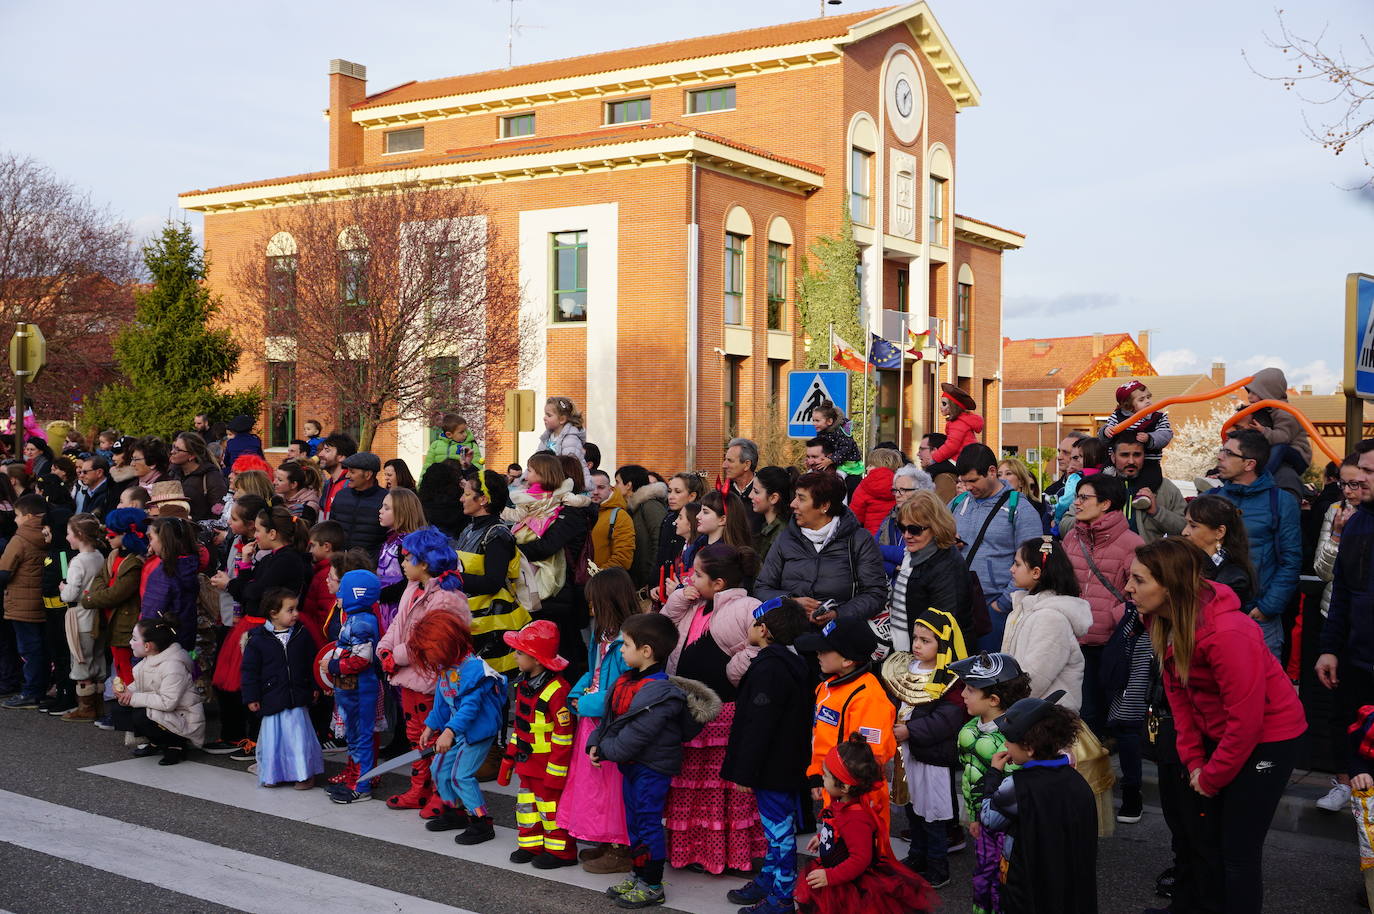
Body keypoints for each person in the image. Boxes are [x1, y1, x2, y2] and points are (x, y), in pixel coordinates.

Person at [1128, 538, 1308, 914]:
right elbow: (1180, 700)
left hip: (1268, 739)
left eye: (1139, 580)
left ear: (1170, 584)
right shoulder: (1163, 619)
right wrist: (1194, 762)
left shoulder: (1229, 633)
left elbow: (1246, 721)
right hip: (1219, 732)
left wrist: (1211, 777)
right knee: (1199, 839)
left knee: (1237, 852)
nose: (1128, 588)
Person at [587, 612, 718, 911]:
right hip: (632, 766)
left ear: (646, 651)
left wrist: (605, 750)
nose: (620, 650)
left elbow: (635, 735)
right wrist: (595, 743)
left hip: (651, 768)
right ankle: (638, 874)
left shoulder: (661, 693)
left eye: (626, 645)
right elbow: (610, 721)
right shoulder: (626, 681)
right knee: (634, 822)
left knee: (647, 823)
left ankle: (653, 884)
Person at [658, 543, 766, 874]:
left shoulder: (748, 606)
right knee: (691, 788)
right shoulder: (695, 604)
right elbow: (663, 626)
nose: (690, 578)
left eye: (698, 574)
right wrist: (679, 598)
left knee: (722, 792)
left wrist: (742, 661)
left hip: (724, 716)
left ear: (718, 583)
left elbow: (766, 645)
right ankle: (694, 852)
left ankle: (729, 856)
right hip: (691, 714)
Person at [720, 597, 812, 914]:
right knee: (775, 830)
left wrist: (745, 773)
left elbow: (758, 725)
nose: (749, 627)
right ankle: (769, 880)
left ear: (764, 628)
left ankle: (782, 897)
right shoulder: (789, 661)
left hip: (772, 767)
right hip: (783, 763)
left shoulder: (769, 669)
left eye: (753, 622)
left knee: (780, 833)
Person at [376, 527, 472, 817]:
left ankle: (443, 794)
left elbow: (432, 642)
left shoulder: (446, 597)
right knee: (414, 734)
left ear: (425, 563)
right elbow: (399, 624)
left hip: (433, 681)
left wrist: (398, 655)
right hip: (411, 677)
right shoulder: (412, 588)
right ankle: (420, 788)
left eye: (407, 558)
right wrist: (385, 649)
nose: (403, 563)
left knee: (434, 738)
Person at [980, 692, 1098, 914]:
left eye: (1010, 740)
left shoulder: (1017, 785)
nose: (1005, 743)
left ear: (1030, 747)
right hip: (1069, 877)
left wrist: (994, 774)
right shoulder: (1077, 780)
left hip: (1027, 882)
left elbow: (989, 818)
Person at [794, 732, 935, 914]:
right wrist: (824, 836)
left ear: (844, 787)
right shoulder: (843, 803)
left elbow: (860, 858)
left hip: (847, 885)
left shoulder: (856, 818)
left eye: (827, 775)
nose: (822, 777)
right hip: (837, 875)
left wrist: (830, 876)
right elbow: (840, 830)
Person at [882, 608, 969, 888]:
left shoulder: (951, 680)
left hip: (932, 757)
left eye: (926, 640)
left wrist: (911, 730)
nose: (917, 645)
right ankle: (917, 856)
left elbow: (948, 718)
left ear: (942, 644)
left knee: (932, 813)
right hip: (906, 755)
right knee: (912, 807)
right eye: (915, 638)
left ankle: (937, 866)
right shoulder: (906, 668)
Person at [561, 568, 636, 875]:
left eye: (594, 601)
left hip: (612, 723)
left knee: (612, 787)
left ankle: (621, 847)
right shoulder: (602, 633)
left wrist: (587, 702)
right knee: (595, 786)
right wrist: (576, 694)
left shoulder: (627, 640)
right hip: (593, 718)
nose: (590, 607)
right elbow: (591, 671)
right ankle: (606, 840)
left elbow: (624, 689)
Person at [948, 652, 1034, 914]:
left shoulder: (1017, 740)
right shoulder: (968, 730)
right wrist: (973, 815)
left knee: (1006, 881)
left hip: (1011, 828)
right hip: (983, 823)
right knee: (984, 877)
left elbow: (1023, 789)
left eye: (970, 689)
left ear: (994, 700)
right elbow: (968, 777)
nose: (962, 694)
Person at [412, 609, 507, 843]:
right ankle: (456, 812)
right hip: (457, 731)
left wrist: (449, 731)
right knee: (440, 770)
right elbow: (441, 703)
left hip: (476, 733)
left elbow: (470, 708)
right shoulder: (446, 668)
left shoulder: (473, 670)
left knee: (460, 776)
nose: (428, 659)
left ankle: (481, 822)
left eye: (429, 652)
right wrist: (430, 727)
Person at [798, 617, 897, 834]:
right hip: (834, 790)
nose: (818, 653)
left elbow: (870, 757)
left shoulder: (869, 698)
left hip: (858, 801)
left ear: (847, 661)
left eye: (824, 650)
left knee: (858, 859)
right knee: (833, 854)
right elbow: (821, 738)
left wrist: (846, 795)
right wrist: (816, 774)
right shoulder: (827, 686)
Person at [1317, 440, 1374, 815]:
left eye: (1369, 473)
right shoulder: (1357, 525)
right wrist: (1330, 647)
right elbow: (1342, 594)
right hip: (1359, 665)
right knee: (1362, 770)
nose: (1360, 479)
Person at [1063, 474, 1142, 737]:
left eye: (1084, 498)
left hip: (1111, 642)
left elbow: (1141, 593)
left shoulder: (1132, 543)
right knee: (1081, 709)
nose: (1077, 503)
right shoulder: (1072, 537)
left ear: (1106, 504)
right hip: (1074, 639)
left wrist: (1112, 617)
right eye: (1077, 497)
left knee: (1108, 709)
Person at [1211, 429, 1302, 658]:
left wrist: (1268, 607)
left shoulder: (1281, 502)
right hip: (1212, 612)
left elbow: (1291, 560)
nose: (1220, 457)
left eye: (1228, 453)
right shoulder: (1211, 499)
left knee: (1263, 688)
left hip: (1258, 615)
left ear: (1249, 464)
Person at [754, 472, 887, 627]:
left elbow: (875, 593)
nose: (792, 504)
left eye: (801, 498)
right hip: (789, 635)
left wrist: (838, 614)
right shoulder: (785, 538)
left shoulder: (859, 540)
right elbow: (761, 588)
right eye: (795, 496)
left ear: (824, 506)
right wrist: (791, 602)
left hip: (838, 637)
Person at [496, 619, 577, 868]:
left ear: (537, 659)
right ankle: (531, 845)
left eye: (520, 653)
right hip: (527, 765)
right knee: (527, 806)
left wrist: (556, 774)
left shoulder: (558, 691)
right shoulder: (522, 684)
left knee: (550, 810)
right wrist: (508, 759)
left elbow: (564, 737)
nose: (515, 657)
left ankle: (561, 853)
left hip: (548, 768)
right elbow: (519, 728)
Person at [950, 444, 1045, 650]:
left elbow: (1036, 561)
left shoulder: (1020, 509)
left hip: (995, 606)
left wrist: (1002, 604)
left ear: (992, 472)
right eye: (963, 482)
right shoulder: (958, 503)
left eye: (973, 481)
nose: (967, 487)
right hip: (959, 602)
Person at [505, 453, 591, 676]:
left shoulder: (569, 512)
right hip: (543, 587)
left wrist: (512, 551)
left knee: (561, 649)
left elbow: (547, 546)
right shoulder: (538, 505)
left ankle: (563, 697)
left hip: (559, 588)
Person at [240, 587, 323, 789]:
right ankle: (274, 773)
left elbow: (312, 662)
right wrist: (251, 696)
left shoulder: (302, 634)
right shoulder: (257, 639)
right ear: (273, 613)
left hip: (297, 697)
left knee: (298, 739)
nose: (296, 614)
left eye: (296, 609)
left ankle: (303, 774)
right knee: (274, 741)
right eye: (290, 610)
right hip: (272, 697)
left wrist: (315, 685)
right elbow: (249, 670)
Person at [455, 469, 530, 677]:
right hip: (470, 621)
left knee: (491, 690)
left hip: (493, 626)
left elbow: (492, 582)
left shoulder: (497, 534)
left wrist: (452, 578)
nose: (461, 499)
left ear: (483, 499)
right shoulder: (468, 529)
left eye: (467, 494)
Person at [1001, 537, 1091, 709]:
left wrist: (1004, 704)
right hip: (1026, 712)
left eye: (1017, 564)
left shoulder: (1051, 619)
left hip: (1047, 722)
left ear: (1036, 572)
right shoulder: (1025, 608)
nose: (1011, 569)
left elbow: (1034, 679)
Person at [82, 507, 147, 728]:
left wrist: (90, 599)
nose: (107, 539)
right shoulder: (111, 556)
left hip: (126, 625)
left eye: (111, 535)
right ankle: (122, 714)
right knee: (120, 670)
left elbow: (117, 593)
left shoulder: (135, 562)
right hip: (111, 622)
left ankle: (129, 716)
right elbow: (100, 581)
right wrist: (96, 594)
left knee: (128, 673)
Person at [324, 569, 384, 804]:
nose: (337, 595)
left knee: (362, 737)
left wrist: (334, 666)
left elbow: (362, 659)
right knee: (354, 736)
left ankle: (362, 785)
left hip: (361, 689)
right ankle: (353, 777)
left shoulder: (362, 622)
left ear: (355, 594)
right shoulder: (355, 618)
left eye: (342, 591)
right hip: (350, 690)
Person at [888, 490, 974, 652]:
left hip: (936, 658)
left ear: (936, 527)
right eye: (902, 527)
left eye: (915, 529)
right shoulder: (913, 555)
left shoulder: (946, 564)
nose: (907, 535)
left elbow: (944, 623)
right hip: (913, 651)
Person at [114, 616, 206, 765]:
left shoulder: (173, 666)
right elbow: (141, 686)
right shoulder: (150, 659)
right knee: (120, 709)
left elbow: (167, 703)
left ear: (147, 646)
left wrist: (133, 698)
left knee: (140, 715)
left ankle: (176, 744)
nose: (130, 643)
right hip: (167, 713)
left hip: (184, 718)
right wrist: (125, 692)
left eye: (134, 638)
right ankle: (156, 741)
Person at [0, 494, 51, 709]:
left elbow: (4, 571)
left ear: (28, 516)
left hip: (21, 603)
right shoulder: (50, 534)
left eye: (18, 515)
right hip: (43, 600)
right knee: (40, 647)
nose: (15, 520)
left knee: (28, 649)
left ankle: (30, 691)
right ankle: (40, 687)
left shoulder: (19, 539)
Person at [59, 513, 109, 722]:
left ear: (79, 534)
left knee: (80, 658)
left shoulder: (78, 562)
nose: (67, 537)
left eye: (69, 534)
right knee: (97, 656)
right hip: (98, 614)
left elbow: (71, 594)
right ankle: (98, 704)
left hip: (80, 615)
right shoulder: (99, 556)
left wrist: (63, 589)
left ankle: (86, 707)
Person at [1235, 367, 1311, 492]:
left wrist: (1264, 431)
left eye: (1254, 393)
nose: (1249, 397)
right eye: (1249, 392)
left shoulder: (1285, 412)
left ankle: (1260, 479)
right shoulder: (1267, 410)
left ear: (1268, 392)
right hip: (1279, 451)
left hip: (1297, 455)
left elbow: (1283, 437)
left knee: (1280, 448)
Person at [1102, 437, 1186, 543]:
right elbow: (1074, 520)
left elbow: (1185, 528)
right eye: (1124, 455)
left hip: (1148, 557)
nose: (1131, 461)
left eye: (1137, 455)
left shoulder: (1164, 487)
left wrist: (1157, 512)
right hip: (1106, 558)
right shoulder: (1095, 487)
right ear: (1113, 457)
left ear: (1144, 456)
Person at [1098, 379, 1172, 491]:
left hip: (1148, 461)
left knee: (1151, 479)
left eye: (1148, 397)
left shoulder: (1158, 417)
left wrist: (1150, 438)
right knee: (1105, 476)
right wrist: (1105, 431)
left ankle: (1142, 496)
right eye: (1141, 399)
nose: (1147, 401)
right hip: (1116, 462)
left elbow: (1165, 434)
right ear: (1128, 405)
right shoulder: (1117, 416)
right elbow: (1106, 431)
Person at [141, 517, 202, 651]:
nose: (149, 545)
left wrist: (140, 649)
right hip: (184, 641)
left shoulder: (164, 573)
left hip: (160, 646)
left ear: (163, 538)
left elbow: (152, 614)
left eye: (151, 538)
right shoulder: (188, 567)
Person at [375, 487, 427, 630]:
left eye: (387, 508)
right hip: (386, 605)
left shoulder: (405, 544)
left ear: (402, 514)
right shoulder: (391, 540)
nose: (380, 511)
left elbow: (410, 581)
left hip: (399, 607)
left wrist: (379, 594)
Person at [615, 465, 668, 590]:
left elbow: (660, 540)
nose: (615, 486)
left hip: (650, 583)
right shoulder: (633, 508)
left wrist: (652, 578)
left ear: (628, 485)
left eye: (617, 482)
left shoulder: (650, 505)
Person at [875, 465, 934, 576]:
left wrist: (880, 550)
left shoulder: (930, 519)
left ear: (921, 491)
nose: (897, 495)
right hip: (892, 586)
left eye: (903, 490)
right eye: (895, 490)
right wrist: (893, 568)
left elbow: (913, 553)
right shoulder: (890, 518)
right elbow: (869, 552)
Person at [328, 451, 387, 555]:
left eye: (352, 472)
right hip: (340, 562)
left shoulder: (386, 500)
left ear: (368, 474)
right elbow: (332, 529)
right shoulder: (341, 496)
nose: (347, 475)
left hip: (369, 567)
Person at [1052, 436, 1107, 534]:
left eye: (1079, 457)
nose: (1076, 461)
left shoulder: (1076, 477)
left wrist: (1056, 517)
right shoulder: (1107, 475)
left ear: (1091, 456)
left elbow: (1066, 501)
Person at [169, 432, 227, 522]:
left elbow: (220, 513)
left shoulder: (211, 476)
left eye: (178, 449)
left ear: (191, 456)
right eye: (173, 447)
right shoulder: (173, 473)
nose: (172, 452)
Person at [587, 470, 635, 573]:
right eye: (591, 487)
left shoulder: (620, 516)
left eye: (601, 487)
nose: (595, 492)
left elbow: (623, 558)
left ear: (610, 488)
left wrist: (596, 575)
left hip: (603, 582)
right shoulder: (579, 510)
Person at [849, 448, 902, 536]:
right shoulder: (902, 484)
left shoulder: (864, 486)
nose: (867, 468)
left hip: (872, 538)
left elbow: (855, 517)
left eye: (870, 465)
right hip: (897, 536)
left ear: (879, 465)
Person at [929, 383, 984, 465]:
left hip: (962, 460)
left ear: (953, 406)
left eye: (944, 404)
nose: (941, 407)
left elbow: (951, 446)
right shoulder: (960, 421)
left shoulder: (958, 423)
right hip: (965, 458)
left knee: (933, 469)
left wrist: (934, 458)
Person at [748, 466, 793, 564]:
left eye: (756, 491)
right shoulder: (767, 526)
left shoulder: (781, 535)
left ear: (773, 498)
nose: (750, 495)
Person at [722, 438, 762, 529]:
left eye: (730, 461)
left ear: (747, 465)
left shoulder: (765, 494)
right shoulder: (722, 494)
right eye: (725, 460)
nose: (723, 465)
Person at [317, 433, 357, 519]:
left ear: (341, 457)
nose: (320, 454)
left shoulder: (350, 485)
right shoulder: (328, 484)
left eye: (327, 450)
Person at [539, 396, 587, 462]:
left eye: (549, 415)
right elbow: (537, 460)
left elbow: (569, 466)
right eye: (545, 414)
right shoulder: (547, 438)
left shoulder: (570, 440)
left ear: (562, 419)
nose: (544, 418)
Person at [917, 433, 958, 503]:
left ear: (934, 451)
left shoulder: (945, 478)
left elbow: (937, 511)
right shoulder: (935, 474)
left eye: (922, 449)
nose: (918, 454)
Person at [221, 415, 265, 480]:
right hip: (252, 472)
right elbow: (261, 458)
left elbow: (226, 461)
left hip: (235, 471)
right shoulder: (255, 440)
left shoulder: (231, 442)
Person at [74, 455, 116, 520]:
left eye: (85, 472)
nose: (81, 475)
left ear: (99, 472)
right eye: (81, 472)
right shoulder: (89, 491)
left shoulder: (110, 494)